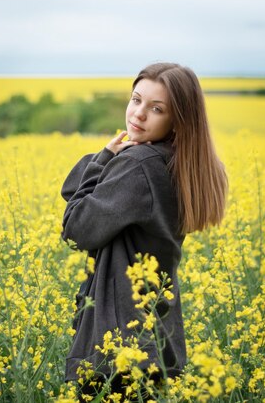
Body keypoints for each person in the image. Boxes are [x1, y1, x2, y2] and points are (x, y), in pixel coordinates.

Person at [60, 62, 228, 401]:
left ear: (177, 120)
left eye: (156, 108)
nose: (139, 114)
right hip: (156, 335)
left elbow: (77, 227)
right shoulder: (178, 164)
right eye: (136, 100)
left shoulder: (138, 166)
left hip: (118, 343)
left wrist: (104, 157)